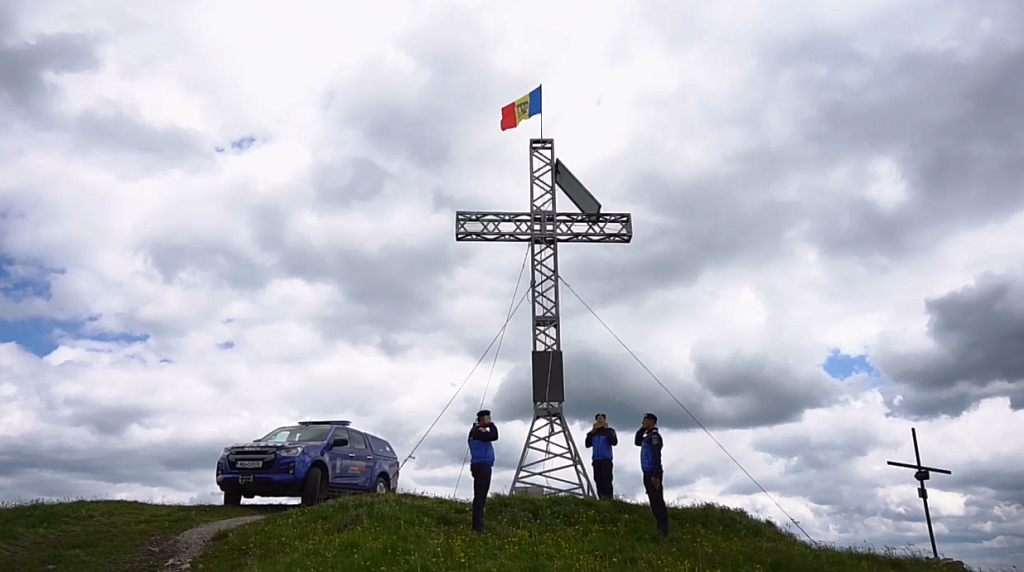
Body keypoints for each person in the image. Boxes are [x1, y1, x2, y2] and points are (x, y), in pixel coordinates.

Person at [635, 412, 668, 536]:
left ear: (652, 422)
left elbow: (656, 456)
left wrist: (656, 475)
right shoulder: (647, 436)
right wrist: (642, 429)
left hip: (652, 472)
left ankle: (663, 529)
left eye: (645, 420)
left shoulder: (654, 437)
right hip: (647, 471)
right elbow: (637, 441)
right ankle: (659, 527)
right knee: (653, 500)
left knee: (657, 499)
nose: (642, 422)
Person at [467, 409, 498, 533]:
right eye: (488, 418)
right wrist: (491, 425)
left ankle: (478, 525)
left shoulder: (477, 431)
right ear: (482, 419)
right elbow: (494, 436)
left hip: (481, 464)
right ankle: (477, 527)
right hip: (482, 465)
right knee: (480, 496)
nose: (490, 420)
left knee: (481, 496)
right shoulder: (478, 431)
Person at [585, 412, 618, 500]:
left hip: (606, 459)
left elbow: (614, 442)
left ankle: (609, 498)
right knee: (598, 479)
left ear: (604, 420)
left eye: (601, 418)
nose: (599, 420)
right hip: (596, 459)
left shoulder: (610, 431)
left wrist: (607, 430)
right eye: (598, 418)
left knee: (606, 479)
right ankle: (601, 498)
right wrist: (591, 433)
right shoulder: (594, 433)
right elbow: (587, 444)